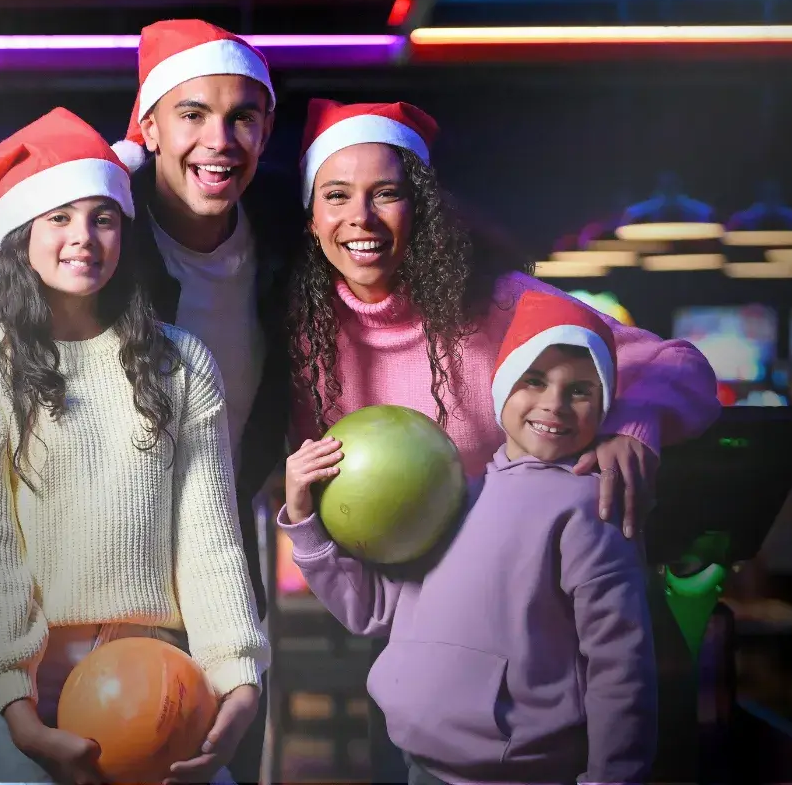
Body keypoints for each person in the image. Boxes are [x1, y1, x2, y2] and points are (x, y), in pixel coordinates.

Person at [0, 20, 299, 782]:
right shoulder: (104, 202)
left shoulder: (290, 228)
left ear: (266, 128)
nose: (219, 139)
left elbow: (210, 540)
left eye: (243, 116)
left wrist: (237, 676)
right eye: (193, 113)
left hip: (182, 604)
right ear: (148, 129)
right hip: (37, 652)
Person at [287, 98, 720, 779]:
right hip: (421, 642)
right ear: (312, 220)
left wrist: (634, 428)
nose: (360, 219)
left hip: (546, 652)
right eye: (336, 195)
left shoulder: (500, 304)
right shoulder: (304, 341)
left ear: (422, 209)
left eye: (387, 194)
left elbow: (681, 366)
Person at [281, 290, 659, 785]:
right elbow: (373, 610)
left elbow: (620, 665)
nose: (554, 404)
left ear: (604, 404)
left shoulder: (592, 508)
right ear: (502, 387)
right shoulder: (457, 495)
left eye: (581, 391)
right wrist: (307, 525)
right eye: (535, 381)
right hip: (419, 764)